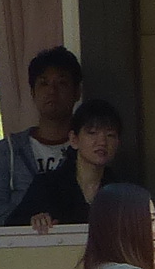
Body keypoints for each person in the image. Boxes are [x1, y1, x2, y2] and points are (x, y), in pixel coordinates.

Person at [0, 45, 82, 231]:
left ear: (77, 92)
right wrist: (29, 220)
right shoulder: (8, 151)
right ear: (33, 93)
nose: (52, 91)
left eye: (62, 83)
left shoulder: (88, 147)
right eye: (43, 83)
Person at [7, 98, 120, 232]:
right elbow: (11, 228)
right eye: (92, 133)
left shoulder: (121, 190)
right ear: (74, 139)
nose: (102, 142)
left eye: (110, 135)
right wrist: (34, 220)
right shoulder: (47, 185)